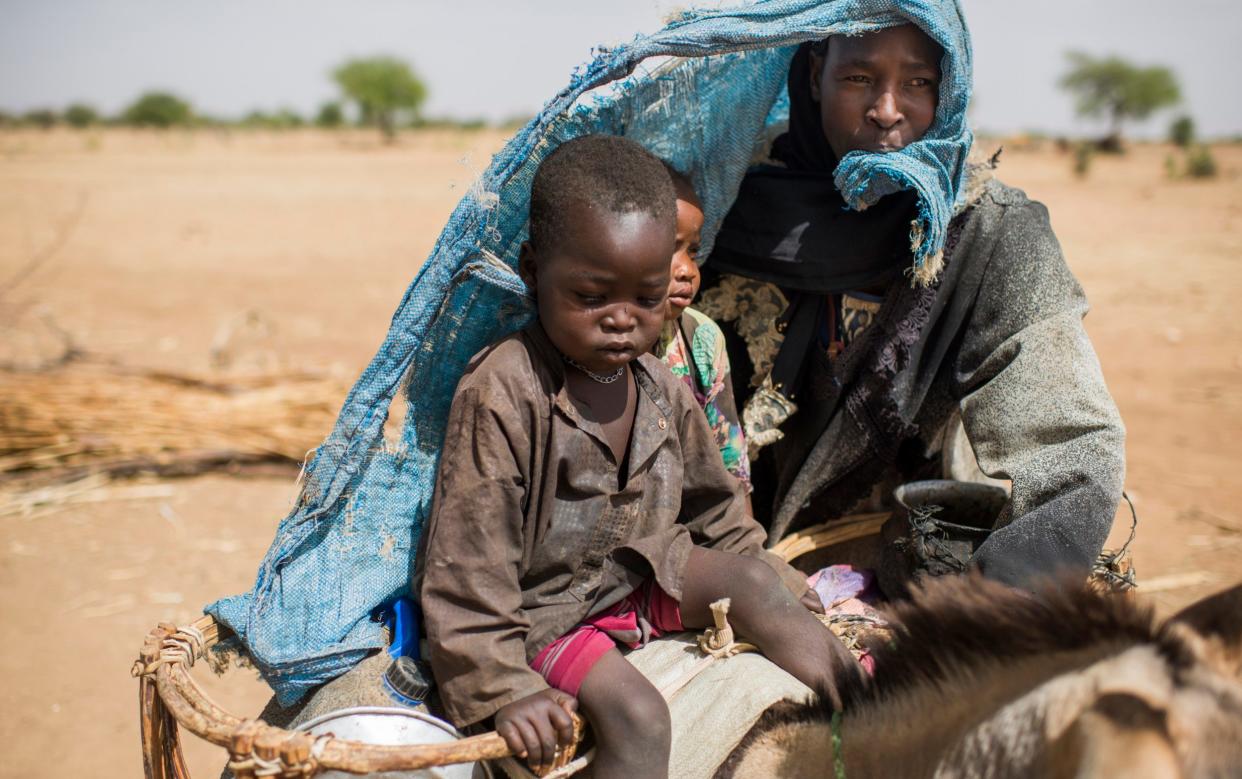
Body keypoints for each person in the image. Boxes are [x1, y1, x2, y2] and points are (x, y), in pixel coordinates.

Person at [416, 135, 857, 778]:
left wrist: (789, 591)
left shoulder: (659, 384)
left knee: (755, 582)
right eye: (593, 297)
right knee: (640, 716)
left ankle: (870, 711)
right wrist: (503, 687)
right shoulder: (504, 391)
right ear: (534, 269)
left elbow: (716, 507)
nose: (622, 320)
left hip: (643, 575)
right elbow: (467, 567)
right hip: (550, 614)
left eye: (647, 299)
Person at [697, 20, 1126, 591]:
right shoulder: (720, 210)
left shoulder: (989, 234)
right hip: (715, 558)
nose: (886, 110)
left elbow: (1074, 447)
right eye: (858, 76)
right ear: (814, 75)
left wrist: (995, 604)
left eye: (919, 83)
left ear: (947, 90)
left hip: (900, 557)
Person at [652, 166, 754, 511]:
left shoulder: (701, 339)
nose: (686, 270)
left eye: (692, 251)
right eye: (671, 249)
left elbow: (732, 466)